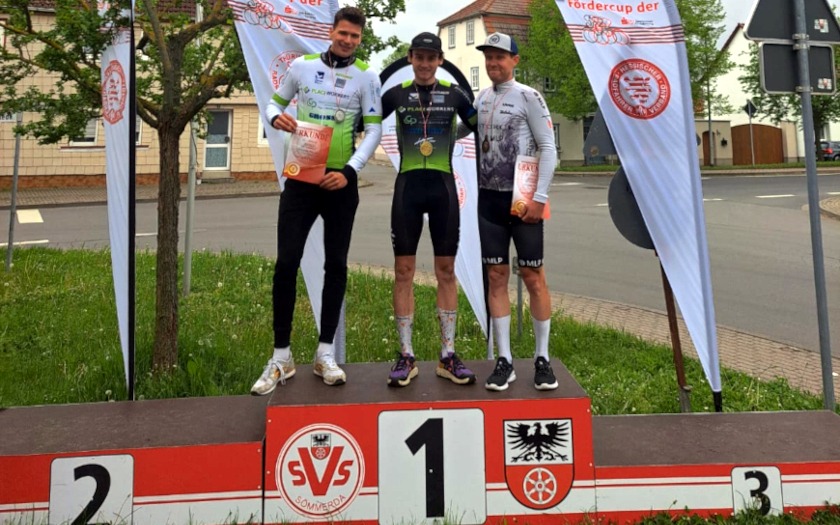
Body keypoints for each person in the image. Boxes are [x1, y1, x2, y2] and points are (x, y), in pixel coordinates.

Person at [251, 7, 382, 395]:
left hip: (341, 182)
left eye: (355, 37)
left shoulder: (367, 76)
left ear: (360, 39)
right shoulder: (303, 67)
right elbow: (273, 104)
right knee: (286, 262)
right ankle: (281, 356)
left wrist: (351, 172)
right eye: (343, 34)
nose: (347, 41)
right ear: (331, 32)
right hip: (302, 178)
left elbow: (373, 131)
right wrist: (277, 119)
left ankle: (326, 353)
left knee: (336, 265)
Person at [380, 32, 479, 387]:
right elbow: (363, 121)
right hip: (407, 187)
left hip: (442, 189)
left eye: (430, 57)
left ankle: (447, 356)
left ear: (440, 60)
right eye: (419, 57)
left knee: (446, 270)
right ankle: (406, 355)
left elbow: (479, 123)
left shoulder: (454, 94)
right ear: (410, 58)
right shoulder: (395, 94)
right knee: (403, 271)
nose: (424, 63)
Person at [472, 33, 559, 392]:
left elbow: (549, 147)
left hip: (523, 199)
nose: (494, 64)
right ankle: (504, 360)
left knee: (533, 276)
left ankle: (542, 357)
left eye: (500, 58)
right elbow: (464, 131)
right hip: (489, 199)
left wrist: (540, 197)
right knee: (496, 276)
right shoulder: (480, 98)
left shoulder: (529, 96)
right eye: (489, 58)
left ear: (514, 60)